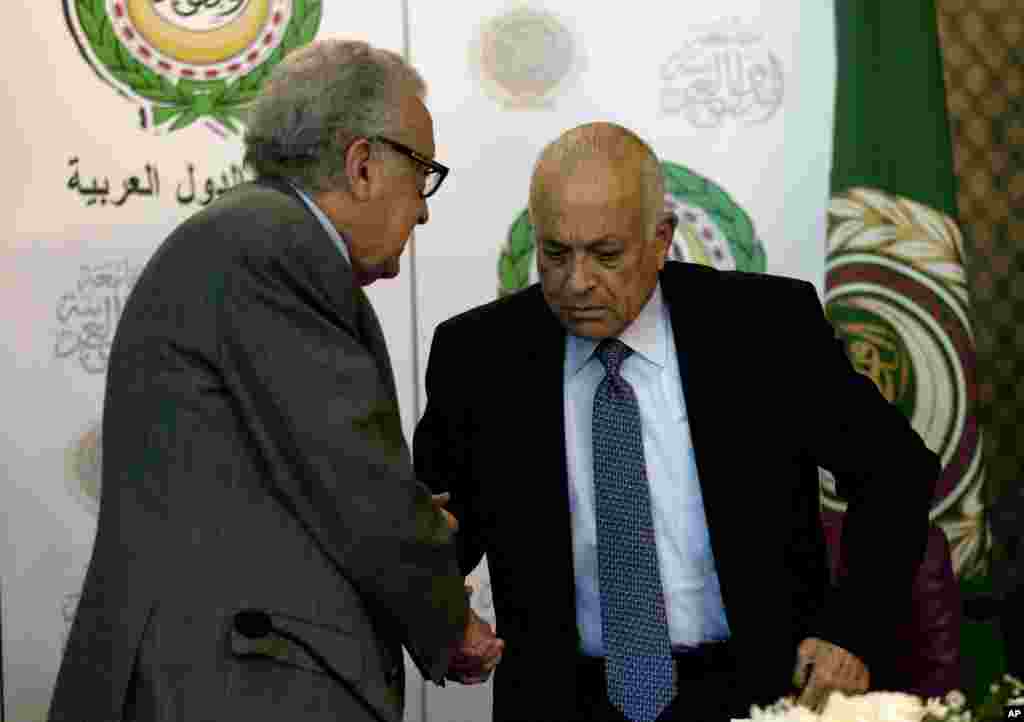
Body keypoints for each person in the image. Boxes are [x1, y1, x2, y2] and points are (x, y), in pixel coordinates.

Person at [413, 122, 939, 722]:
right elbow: (434, 528)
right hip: (564, 700)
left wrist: (851, 631)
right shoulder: (479, 356)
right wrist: (442, 616)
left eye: (607, 254)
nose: (578, 280)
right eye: (556, 253)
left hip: (755, 690)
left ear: (661, 238)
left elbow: (896, 470)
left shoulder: (764, 329)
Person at [48, 38, 503, 722]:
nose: (424, 210)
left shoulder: (248, 238)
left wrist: (410, 520)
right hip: (234, 688)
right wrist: (448, 621)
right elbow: (355, 481)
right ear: (362, 165)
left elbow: (287, 483)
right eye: (422, 176)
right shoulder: (277, 248)